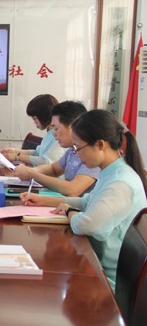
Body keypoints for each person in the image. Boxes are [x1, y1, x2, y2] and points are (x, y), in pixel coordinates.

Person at [22, 109, 147, 288]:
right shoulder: (111, 171)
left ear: (100, 145)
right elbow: (87, 202)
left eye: (78, 148)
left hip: (108, 279)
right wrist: (45, 201)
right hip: (95, 264)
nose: (77, 155)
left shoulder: (120, 182)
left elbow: (86, 225)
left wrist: (70, 212)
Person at [14, 101, 99, 196]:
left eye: (56, 129)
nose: (54, 134)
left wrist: (32, 174)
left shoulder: (91, 153)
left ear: (73, 127)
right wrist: (31, 171)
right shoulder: (72, 150)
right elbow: (53, 169)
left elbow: (72, 190)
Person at [1, 93, 65, 166]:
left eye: (35, 118)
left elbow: (46, 161)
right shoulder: (50, 133)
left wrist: (18, 156)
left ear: (45, 115)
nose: (34, 122)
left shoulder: (59, 136)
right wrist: (15, 151)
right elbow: (38, 152)